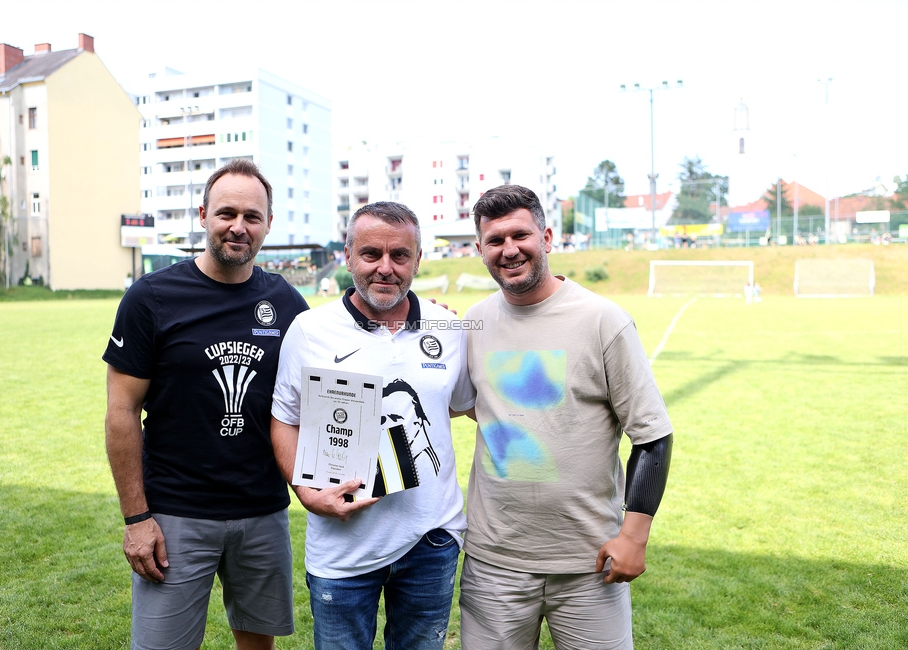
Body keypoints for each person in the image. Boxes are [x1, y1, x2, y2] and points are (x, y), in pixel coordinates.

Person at [103, 159, 308, 650]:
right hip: (175, 515)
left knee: (258, 646)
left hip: (262, 512)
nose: (239, 227)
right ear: (203, 215)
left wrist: (420, 321)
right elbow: (121, 412)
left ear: (268, 225)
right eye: (227, 213)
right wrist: (136, 519)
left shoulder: (285, 303)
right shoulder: (152, 297)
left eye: (252, 216)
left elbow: (338, 366)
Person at [459, 185, 674, 650]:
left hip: (588, 562)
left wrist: (634, 537)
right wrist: (423, 324)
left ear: (548, 237)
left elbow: (653, 435)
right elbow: (461, 400)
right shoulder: (472, 323)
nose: (509, 249)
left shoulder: (603, 319)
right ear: (479, 250)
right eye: (494, 241)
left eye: (521, 235)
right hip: (494, 563)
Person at [270, 201, 475, 650]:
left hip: (430, 541)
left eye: (400, 255)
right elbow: (284, 420)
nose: (386, 268)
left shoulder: (450, 326)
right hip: (342, 548)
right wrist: (306, 493)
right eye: (371, 255)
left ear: (418, 260)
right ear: (348, 256)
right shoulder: (309, 330)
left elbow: (462, 404)